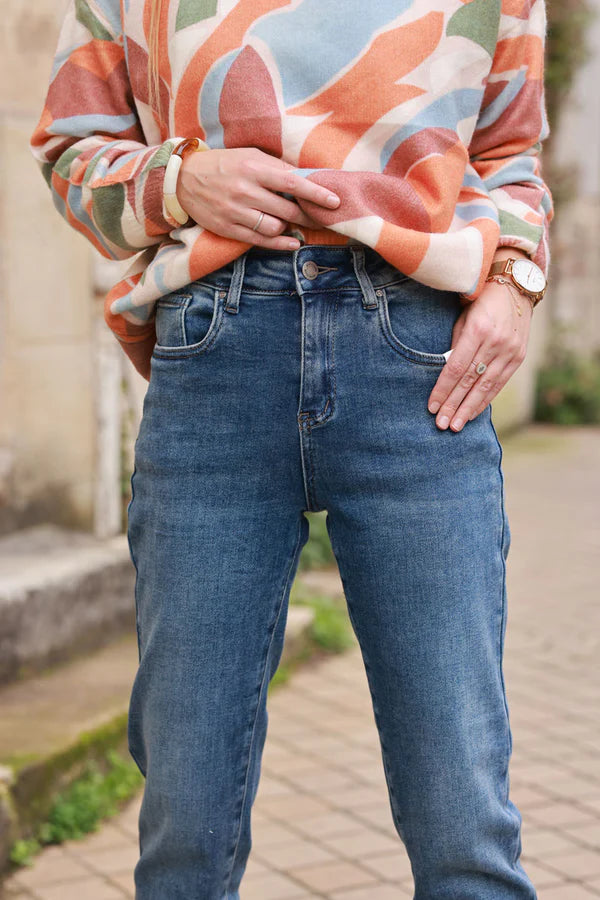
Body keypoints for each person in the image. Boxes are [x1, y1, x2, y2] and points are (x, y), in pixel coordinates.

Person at [30, 1, 553, 897]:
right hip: (216, 356)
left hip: (419, 364)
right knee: (183, 828)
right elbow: (71, 148)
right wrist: (178, 181)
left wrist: (514, 280)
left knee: (460, 818)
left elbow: (510, 155)